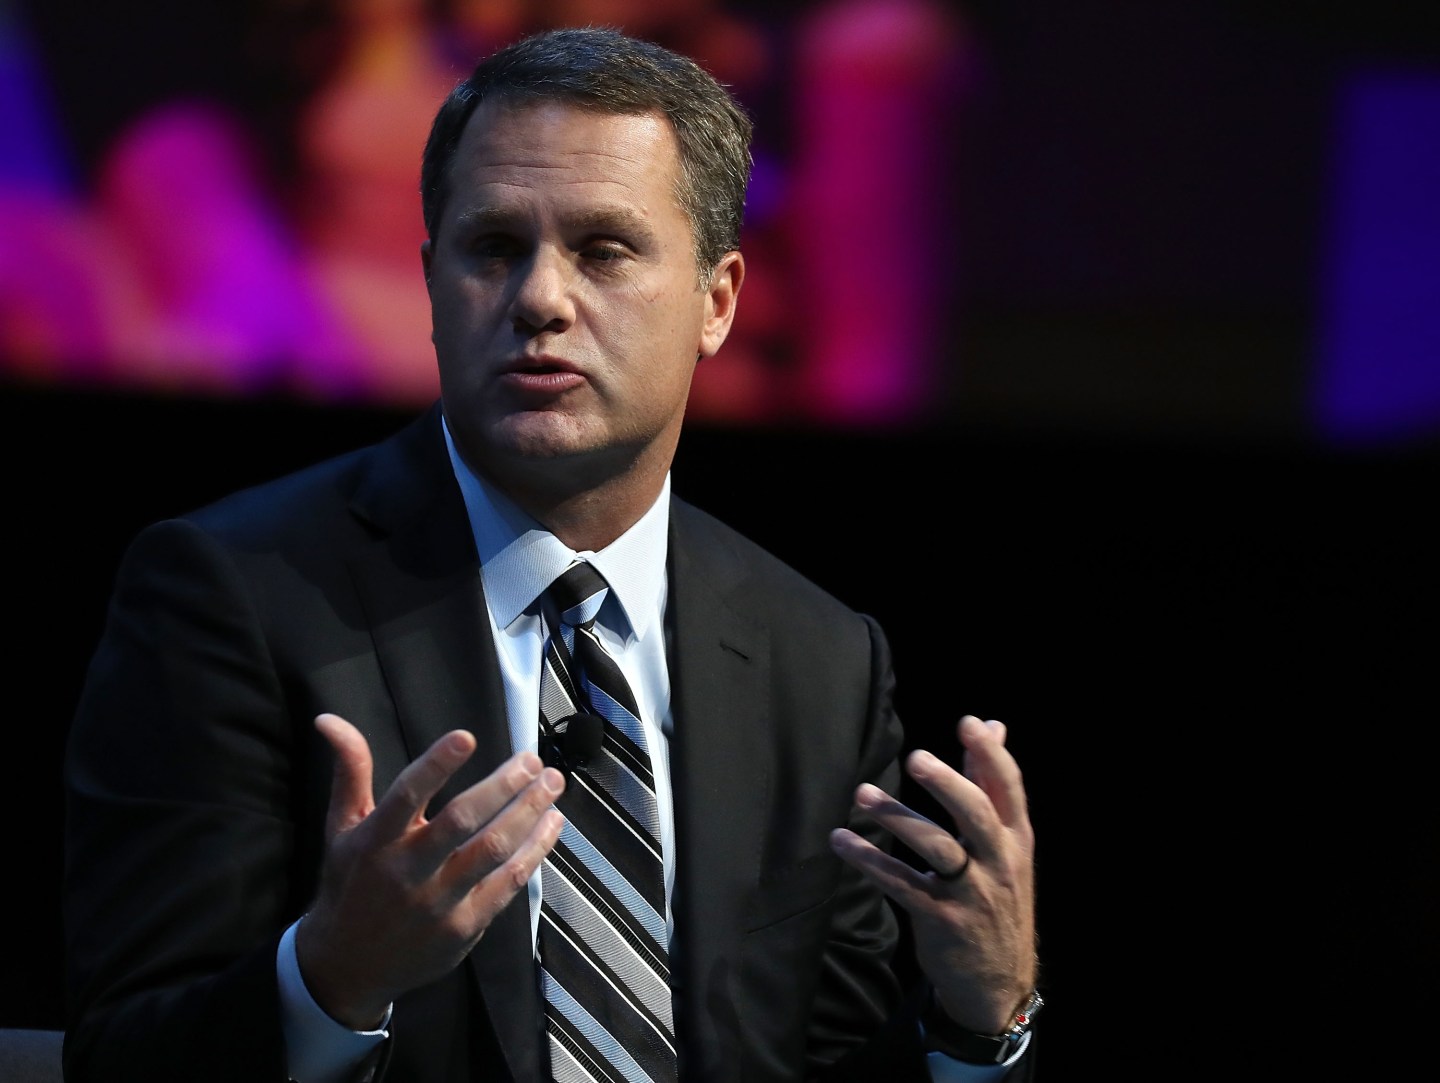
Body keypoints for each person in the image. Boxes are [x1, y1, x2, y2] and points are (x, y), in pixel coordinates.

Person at [62, 26, 1040, 1083]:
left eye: (603, 249)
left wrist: (981, 1021)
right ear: (434, 283)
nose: (540, 299)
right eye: (493, 249)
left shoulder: (819, 659)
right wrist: (331, 979)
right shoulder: (230, 596)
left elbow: (831, 1064)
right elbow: (123, 1057)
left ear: (718, 302)